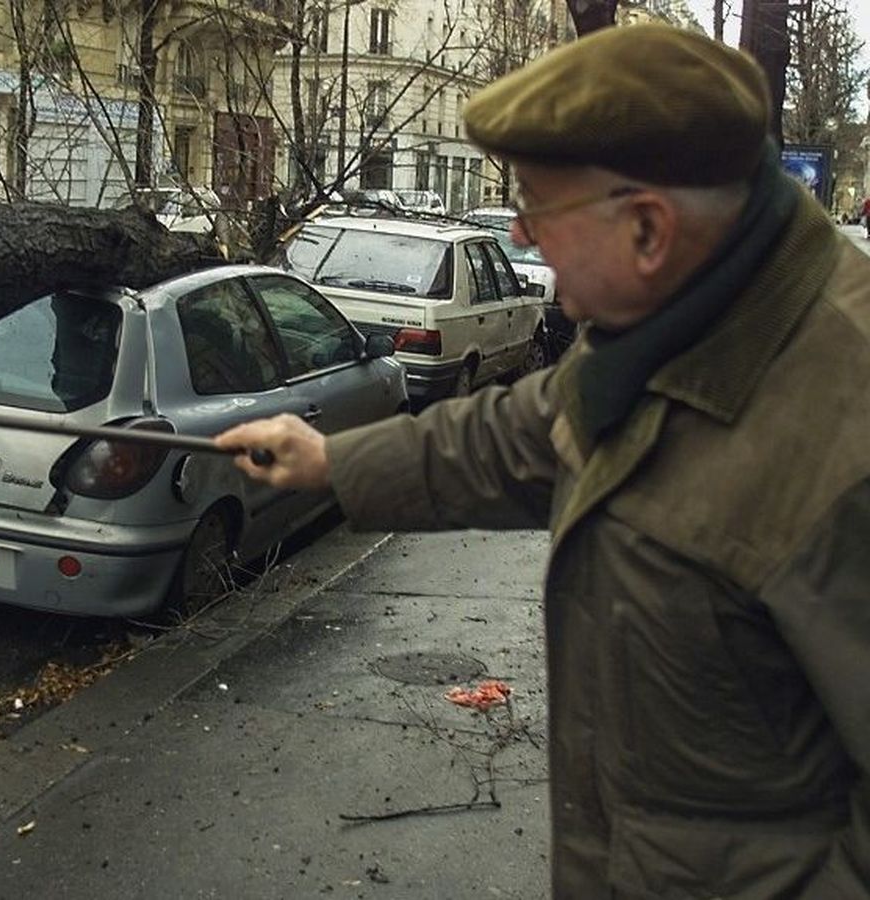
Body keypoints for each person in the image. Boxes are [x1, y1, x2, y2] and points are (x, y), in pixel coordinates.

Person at [215, 23, 870, 900]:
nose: (520, 233)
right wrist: (330, 461)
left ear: (647, 228)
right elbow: (517, 435)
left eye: (537, 206)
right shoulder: (671, 330)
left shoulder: (845, 433)